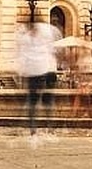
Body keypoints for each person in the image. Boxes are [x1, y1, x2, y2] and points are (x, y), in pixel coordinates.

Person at [16, 17, 62, 145]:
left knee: (46, 102)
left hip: (47, 71)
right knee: (34, 104)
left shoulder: (47, 31)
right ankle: (34, 131)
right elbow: (22, 55)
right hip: (35, 73)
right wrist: (22, 72)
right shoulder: (25, 36)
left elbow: (55, 48)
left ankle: (48, 129)